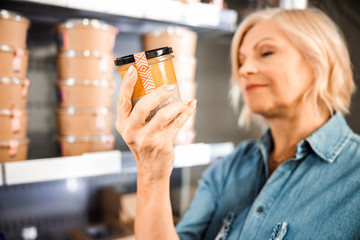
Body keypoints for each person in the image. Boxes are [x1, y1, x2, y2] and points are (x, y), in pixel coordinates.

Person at [115, 7, 360, 240]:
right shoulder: (228, 169)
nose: (244, 70)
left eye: (266, 52)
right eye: (241, 61)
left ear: (320, 61)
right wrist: (151, 173)